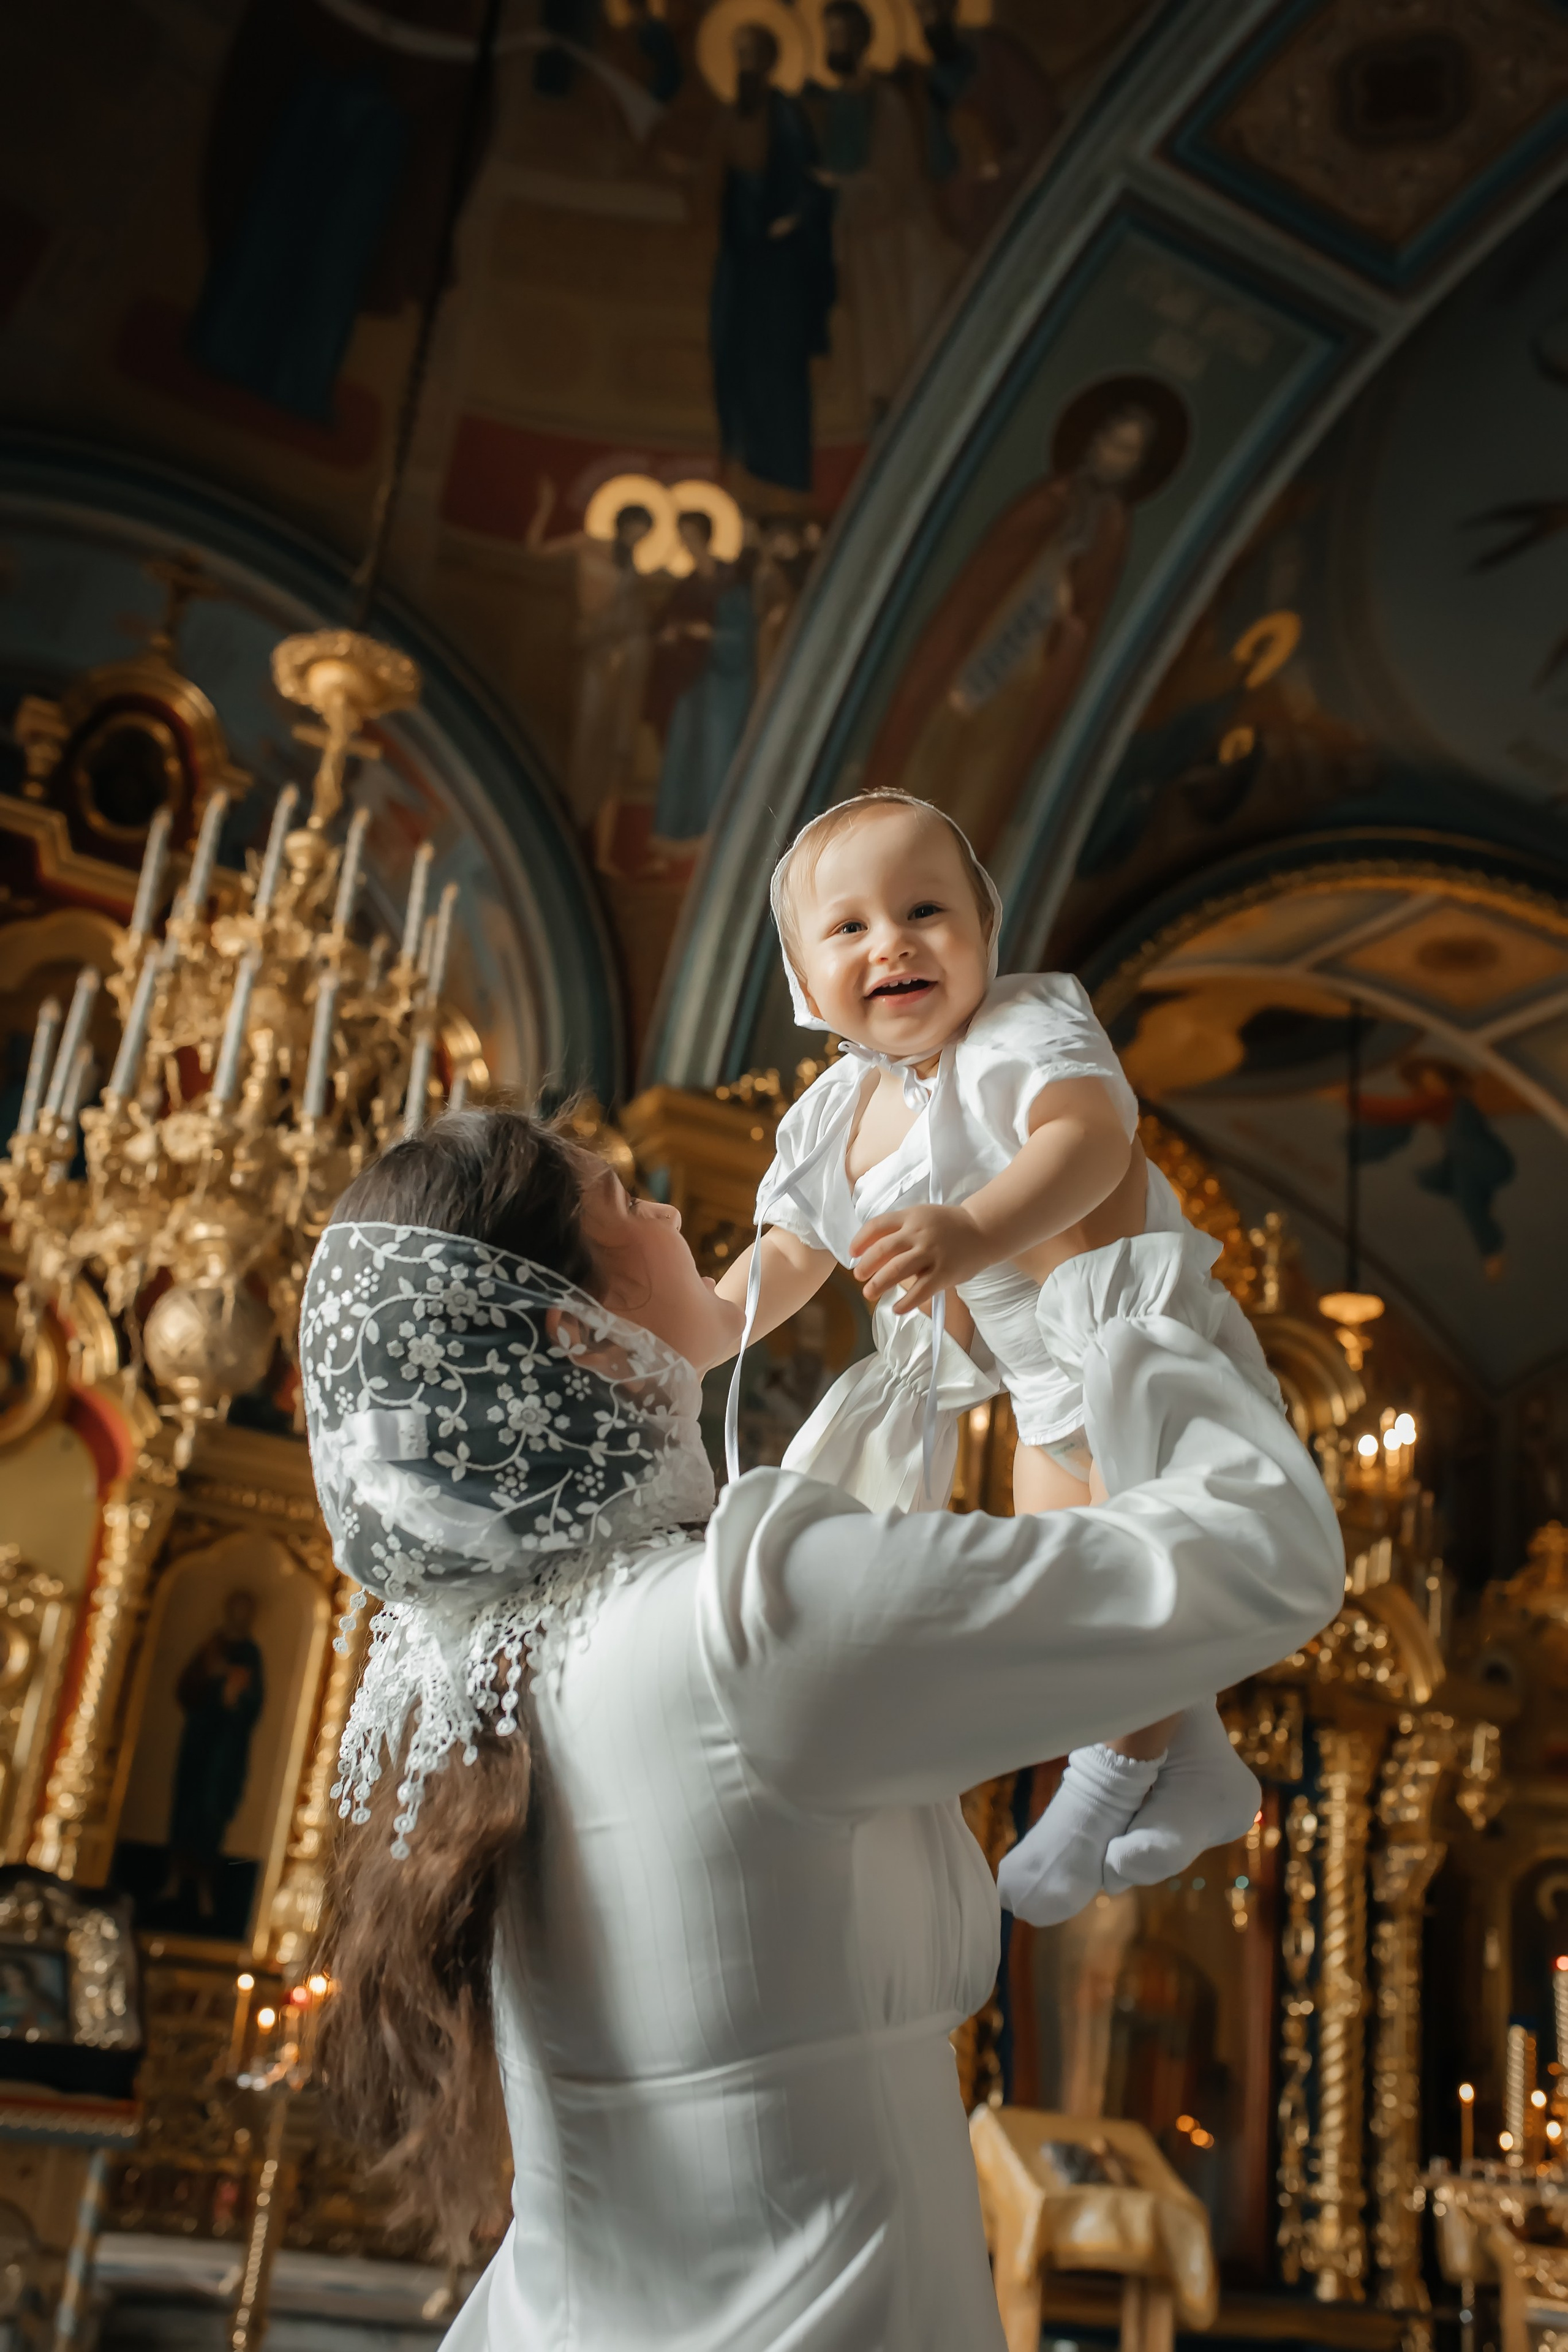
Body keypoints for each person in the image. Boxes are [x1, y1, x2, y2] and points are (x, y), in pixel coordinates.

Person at [303, 1102, 1341, 2346]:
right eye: (625, 1203)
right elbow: (1261, 1553)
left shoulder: (477, 1669)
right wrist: (1107, 1265)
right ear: (572, 1334)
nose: (675, 1212)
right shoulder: (744, 1623)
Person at [719, 792, 1287, 1924]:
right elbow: (787, 1255)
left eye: (926, 908)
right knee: (1081, 1590)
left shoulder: (1025, 1029)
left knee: (1127, 1577)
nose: (893, 941)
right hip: (1042, 1393)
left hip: (1134, 1344)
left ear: (984, 928)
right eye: (849, 928)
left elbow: (1088, 1141)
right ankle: (1205, 1767)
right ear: (800, 978)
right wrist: (688, 1328)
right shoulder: (835, 1117)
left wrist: (973, 1230)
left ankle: (1097, 1791)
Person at [862, 386, 1180, 854]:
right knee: (921, 769)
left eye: (1128, 449)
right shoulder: (1048, 500)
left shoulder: (1113, 527)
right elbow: (984, 581)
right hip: (972, 663)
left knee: (977, 793)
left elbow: (1090, 608)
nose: (1113, 455)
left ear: (1138, 464)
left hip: (1024, 686)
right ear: (1093, 441)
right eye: (1112, 440)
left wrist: (1071, 633)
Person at [805, 0, 962, 424]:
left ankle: (911, 406)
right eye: (830, 34)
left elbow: (895, 170)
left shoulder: (886, 99)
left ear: (862, 40)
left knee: (900, 326)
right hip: (858, 233)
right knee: (870, 329)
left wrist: (842, 184)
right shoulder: (833, 103)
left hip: (895, 235)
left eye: (843, 34)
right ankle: (880, 409)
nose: (836, 43)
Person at [705, 22, 837, 494]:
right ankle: (737, 448)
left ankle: (781, 464)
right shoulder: (727, 112)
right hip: (739, 246)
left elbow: (810, 179)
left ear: (769, 61)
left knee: (777, 354)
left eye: (752, 55)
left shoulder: (785, 114)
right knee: (730, 344)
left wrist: (793, 218)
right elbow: (709, 170)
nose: (745, 64)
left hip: (779, 255)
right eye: (738, 54)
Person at [526, 477, 658, 867]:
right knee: (585, 747)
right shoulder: (588, 544)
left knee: (616, 755)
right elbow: (536, 552)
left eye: (646, 535)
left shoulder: (635, 567)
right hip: (594, 658)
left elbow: (637, 618)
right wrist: (546, 507)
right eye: (637, 530)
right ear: (623, 524)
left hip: (624, 663)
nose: (639, 539)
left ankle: (601, 856)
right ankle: (569, 838)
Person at [649, 509, 756, 847]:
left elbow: (745, 637)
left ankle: (717, 834)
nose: (686, 544)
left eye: (691, 537)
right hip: (691, 677)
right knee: (683, 747)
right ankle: (680, 831)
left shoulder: (734, 581)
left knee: (717, 751)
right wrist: (669, 635)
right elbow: (663, 624)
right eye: (682, 538)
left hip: (726, 682)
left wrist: (708, 633)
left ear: (706, 537)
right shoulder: (688, 584)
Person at [160, 1591, 265, 1922]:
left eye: (245, 1612)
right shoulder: (211, 1646)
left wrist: (235, 1695)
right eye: (236, 1610)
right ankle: (174, 1880)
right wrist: (213, 1678)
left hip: (226, 1747)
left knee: (213, 1810)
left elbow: (254, 1701)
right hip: (199, 1739)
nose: (240, 1618)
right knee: (186, 1806)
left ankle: (206, 1889)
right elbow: (186, 1689)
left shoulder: (251, 1653)